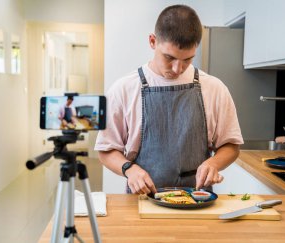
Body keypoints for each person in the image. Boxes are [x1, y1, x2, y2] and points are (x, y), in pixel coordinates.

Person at [95, 4, 243, 194]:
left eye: (187, 59)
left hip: (198, 201)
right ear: (152, 41)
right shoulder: (124, 89)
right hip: (142, 201)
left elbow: (231, 145)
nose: (177, 69)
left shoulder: (214, 88)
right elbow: (106, 150)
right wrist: (129, 169)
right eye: (169, 57)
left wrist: (214, 162)